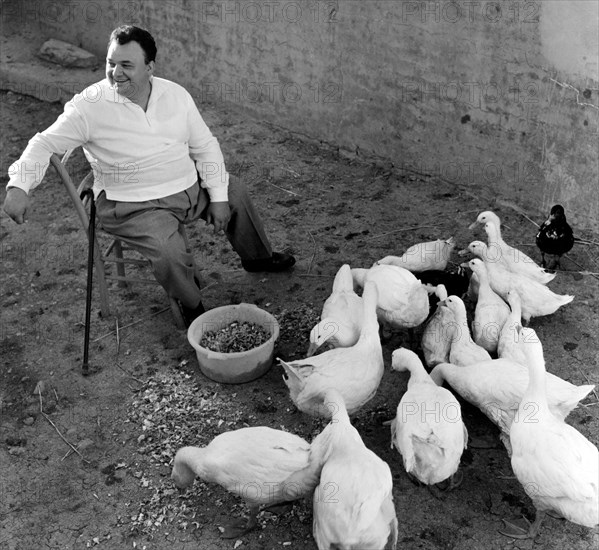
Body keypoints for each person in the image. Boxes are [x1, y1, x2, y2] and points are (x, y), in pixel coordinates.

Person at [3, 25, 295, 326]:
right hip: (131, 204)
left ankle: (257, 257)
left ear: (149, 68)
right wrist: (19, 186)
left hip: (186, 186)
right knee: (168, 251)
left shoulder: (175, 95)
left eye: (126, 65)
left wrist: (218, 198)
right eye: (111, 63)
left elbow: (205, 146)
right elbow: (44, 143)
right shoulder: (89, 105)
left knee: (236, 193)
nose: (115, 73)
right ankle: (193, 305)